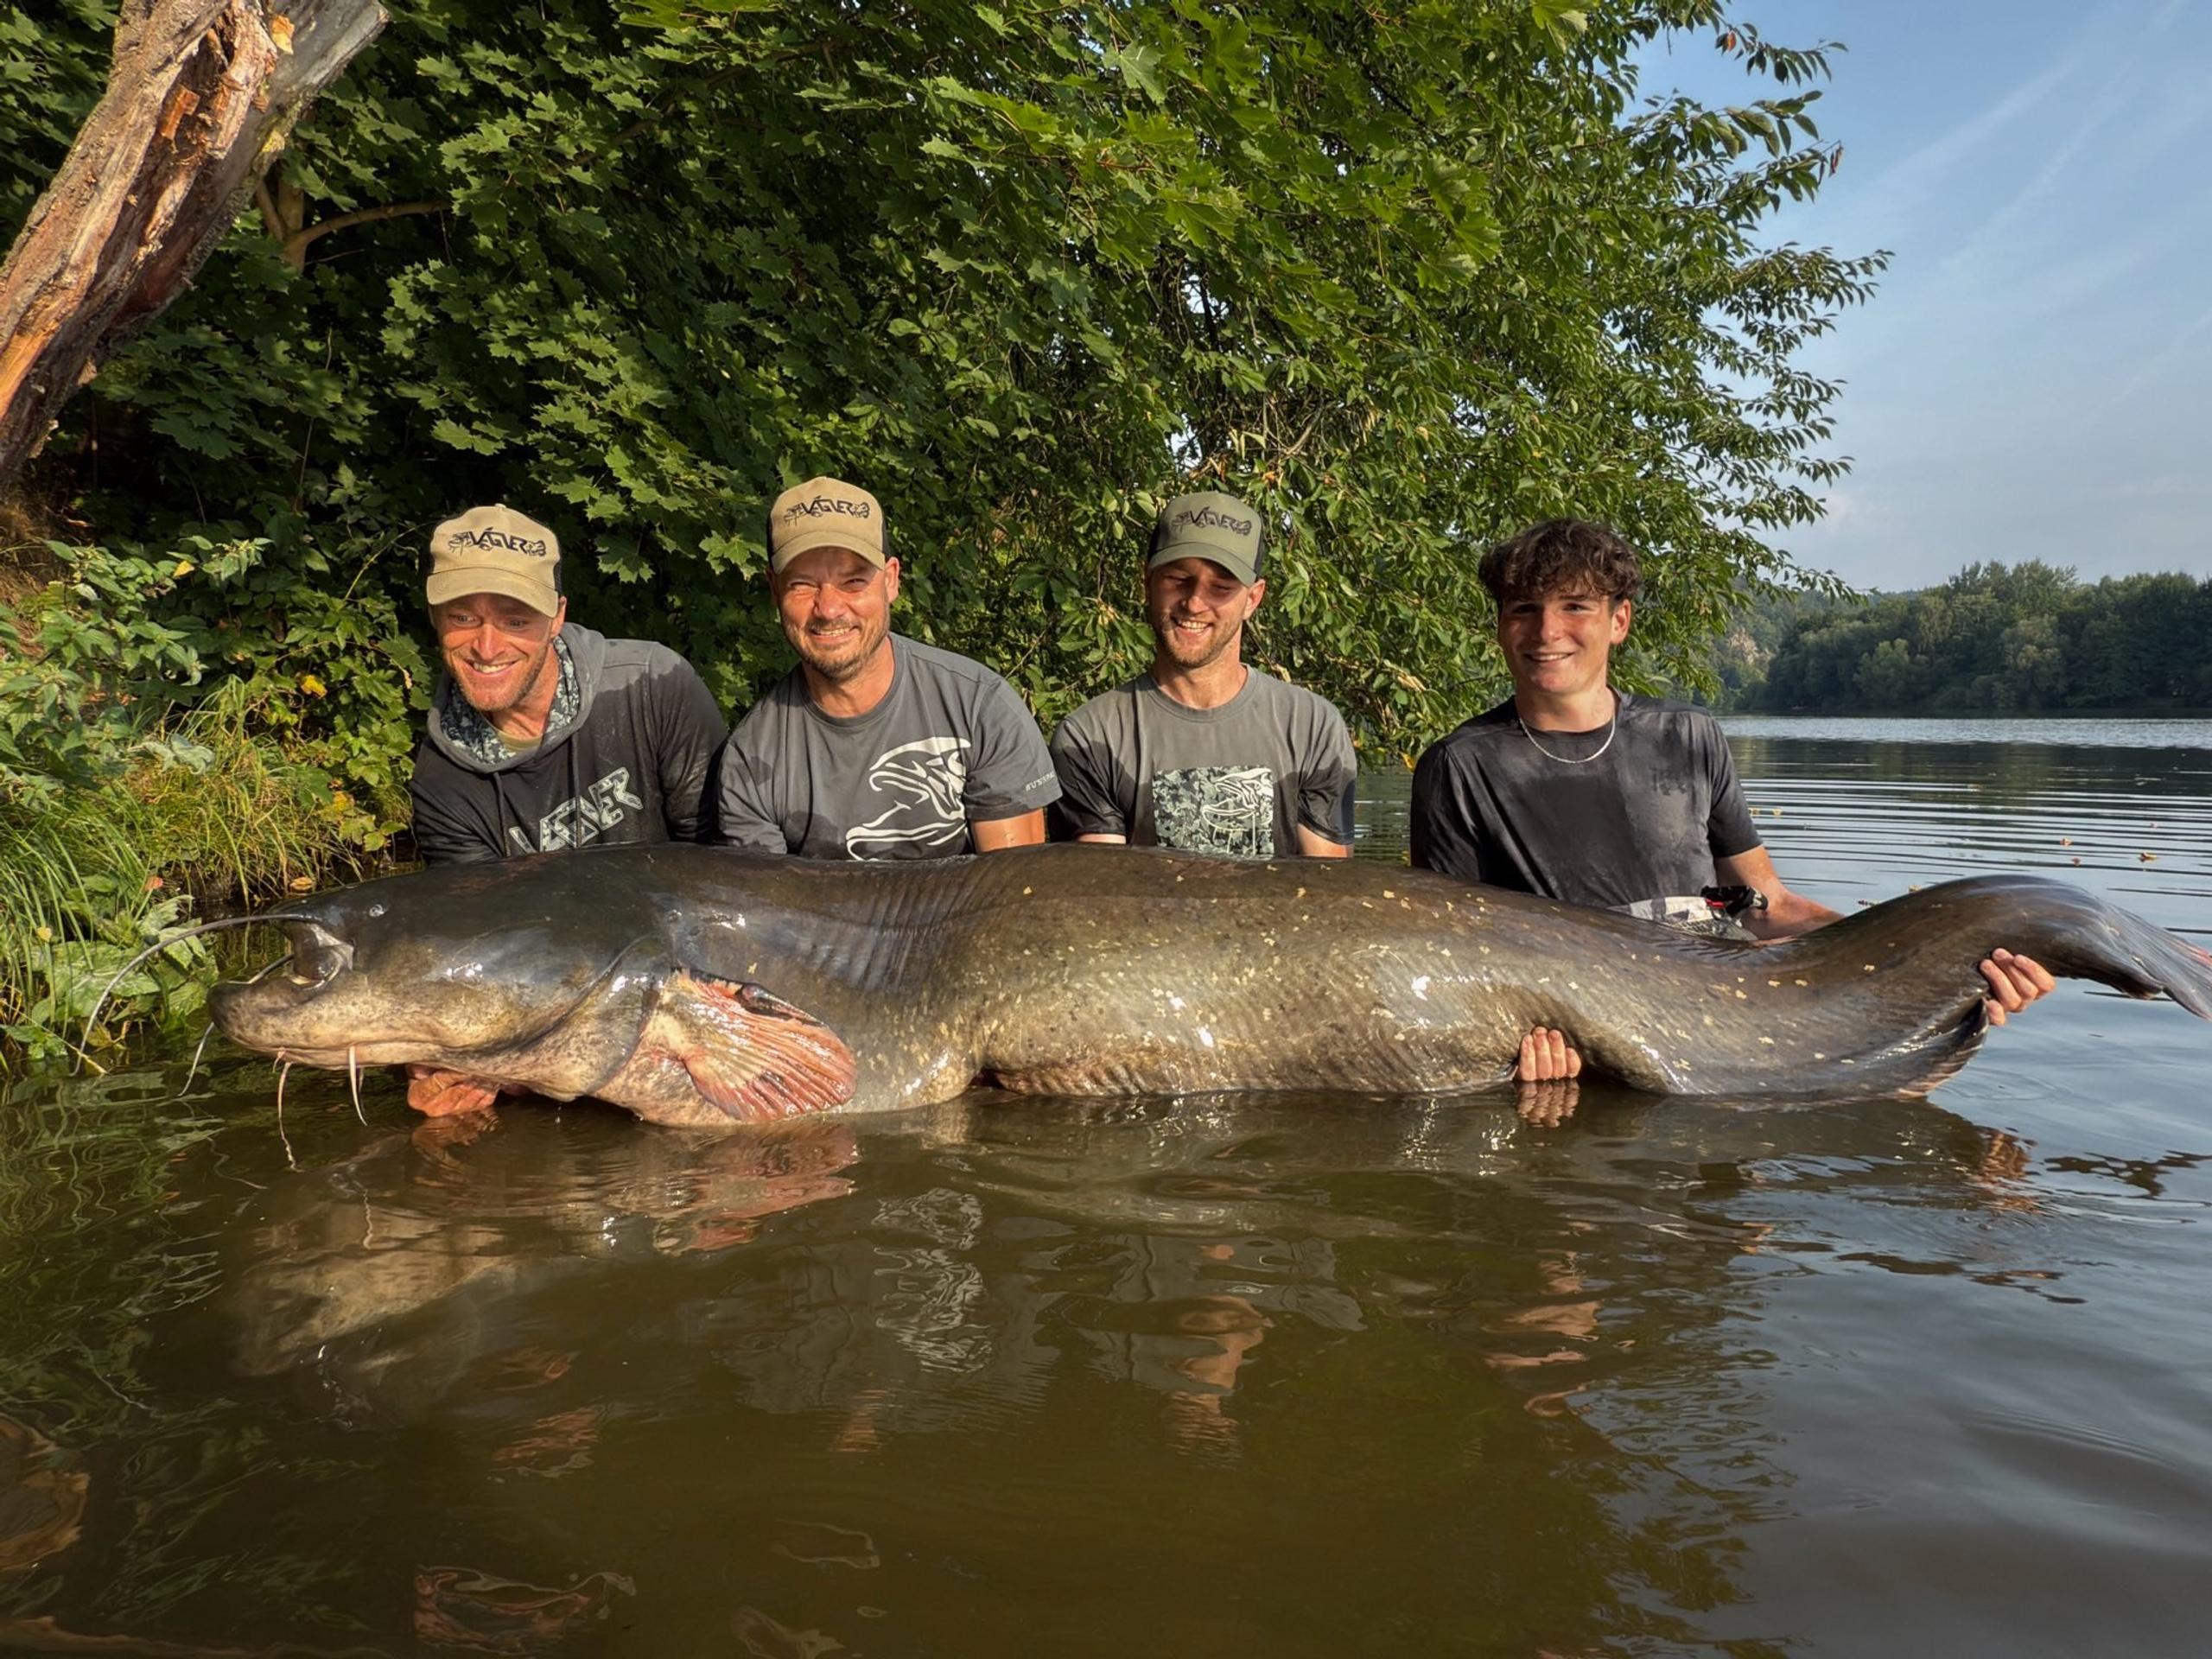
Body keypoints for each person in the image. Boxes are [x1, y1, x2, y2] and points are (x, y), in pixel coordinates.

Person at [1409, 518, 2053, 1090]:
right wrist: (1514, 1052)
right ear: (1500, 626)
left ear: (1619, 621)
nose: (1547, 631)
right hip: (1582, 1044)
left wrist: (1951, 962)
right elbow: (1449, 955)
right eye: (1524, 608)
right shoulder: (1459, 765)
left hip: (1729, 1016)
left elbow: (1769, 907)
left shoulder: (1688, 736)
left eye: (1575, 606)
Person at [407, 503, 728, 1117]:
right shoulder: (442, 781)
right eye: (463, 617)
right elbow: (481, 945)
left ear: (557, 615)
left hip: (695, 975)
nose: (487, 644)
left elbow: (729, 867)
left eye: (514, 618)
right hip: (563, 1006)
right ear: (436, 620)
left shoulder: (653, 685)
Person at [712, 476, 1059, 858]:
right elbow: (768, 908)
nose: (829, 609)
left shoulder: (980, 707)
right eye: (802, 584)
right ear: (774, 590)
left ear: (891, 580)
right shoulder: (751, 761)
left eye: (854, 581)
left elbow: (1015, 893)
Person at [1050, 489, 1357, 858]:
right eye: (1178, 579)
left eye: (1221, 587)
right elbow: (1100, 889)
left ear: (1253, 599)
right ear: (1146, 583)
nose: (1194, 603)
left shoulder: (1314, 726)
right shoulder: (1089, 737)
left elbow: (1330, 890)